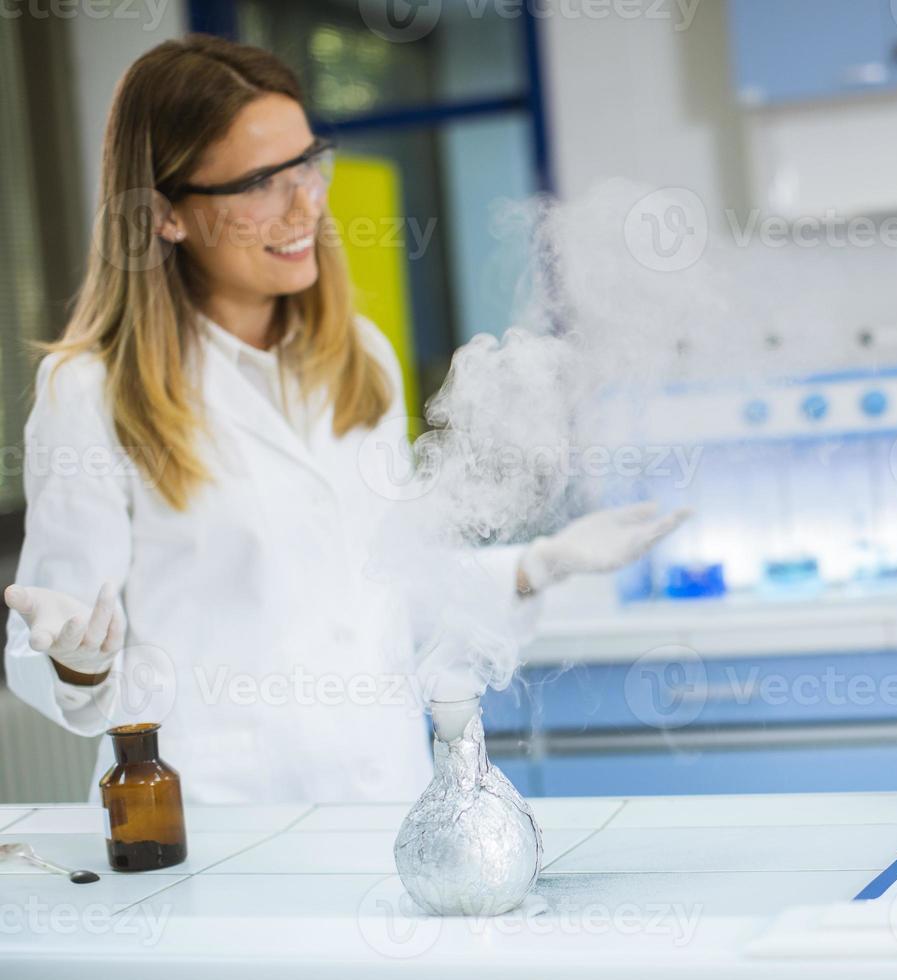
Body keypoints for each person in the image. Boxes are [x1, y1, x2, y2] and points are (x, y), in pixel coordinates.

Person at [2, 35, 685, 804]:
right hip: (221, 822)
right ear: (166, 214)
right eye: (262, 182)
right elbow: (49, 641)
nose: (306, 202)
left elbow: (390, 592)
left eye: (307, 163)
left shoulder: (358, 357)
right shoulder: (91, 390)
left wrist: (539, 565)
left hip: (385, 796)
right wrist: (75, 661)